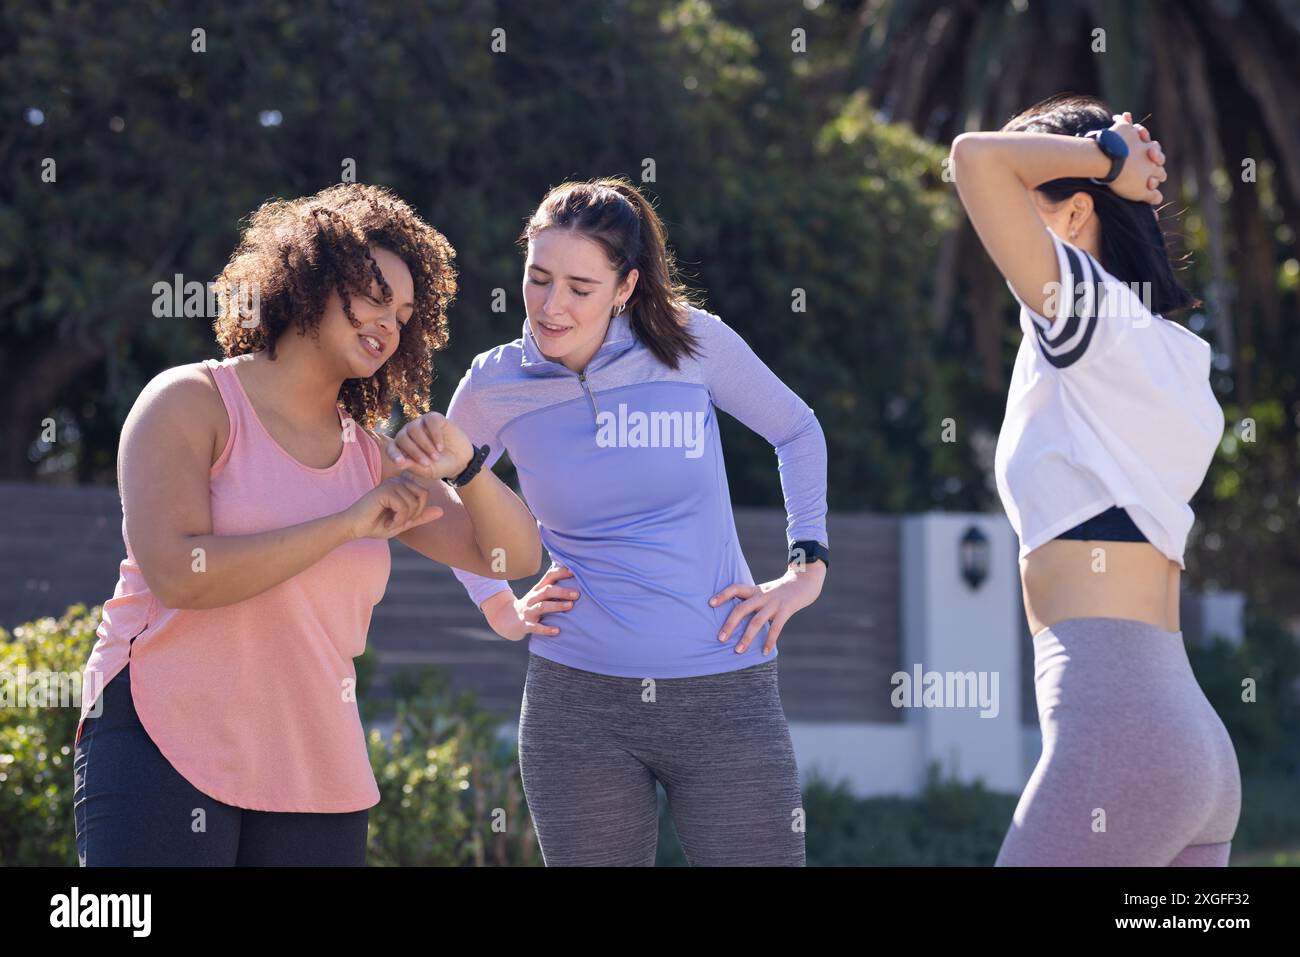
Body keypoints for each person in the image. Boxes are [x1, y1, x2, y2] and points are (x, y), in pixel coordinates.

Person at [73, 183, 542, 866]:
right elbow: (179, 573)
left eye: (405, 313)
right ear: (310, 280)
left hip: (314, 772)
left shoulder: (374, 458)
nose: (389, 323)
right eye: (374, 296)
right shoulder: (189, 403)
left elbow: (513, 557)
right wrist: (346, 523)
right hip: (157, 733)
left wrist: (466, 466)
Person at [390, 177, 830, 865]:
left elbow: (798, 432)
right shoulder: (495, 382)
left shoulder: (691, 344)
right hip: (578, 707)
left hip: (726, 695)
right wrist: (497, 606)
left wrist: (806, 570)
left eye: (579, 287)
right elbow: (441, 493)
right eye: (538, 279)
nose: (551, 305)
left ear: (624, 286)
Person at [951, 95, 1241, 865]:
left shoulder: (1091, 320)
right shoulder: (1173, 351)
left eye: (1028, 199)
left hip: (1124, 736)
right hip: (1195, 749)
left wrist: (1108, 155)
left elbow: (974, 160)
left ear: (1077, 212)